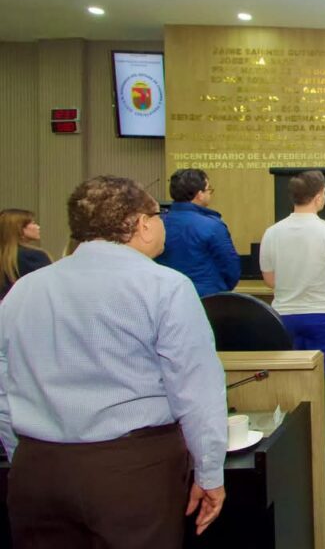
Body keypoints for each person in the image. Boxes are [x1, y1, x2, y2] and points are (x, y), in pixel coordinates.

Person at [0, 176, 227, 546]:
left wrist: (23, 453)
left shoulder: (25, 289)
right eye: (159, 215)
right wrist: (210, 472)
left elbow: (4, 384)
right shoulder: (164, 287)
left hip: (36, 470)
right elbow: (197, 390)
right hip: (132, 470)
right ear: (142, 224)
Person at [260, 170, 325, 474]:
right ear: (318, 197)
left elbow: (269, 280)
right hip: (323, 318)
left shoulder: (272, 232)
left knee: (287, 386)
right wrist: (324, 288)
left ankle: (290, 459)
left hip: (282, 319)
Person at [155, 168, 241, 297]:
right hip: (207, 297)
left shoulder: (158, 222)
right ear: (200, 194)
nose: (210, 193)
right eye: (209, 189)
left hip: (166, 294)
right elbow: (231, 267)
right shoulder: (213, 226)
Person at [0, 208, 52, 300]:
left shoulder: (5, 258)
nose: (38, 227)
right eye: (33, 223)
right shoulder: (34, 257)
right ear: (19, 228)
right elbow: (49, 287)